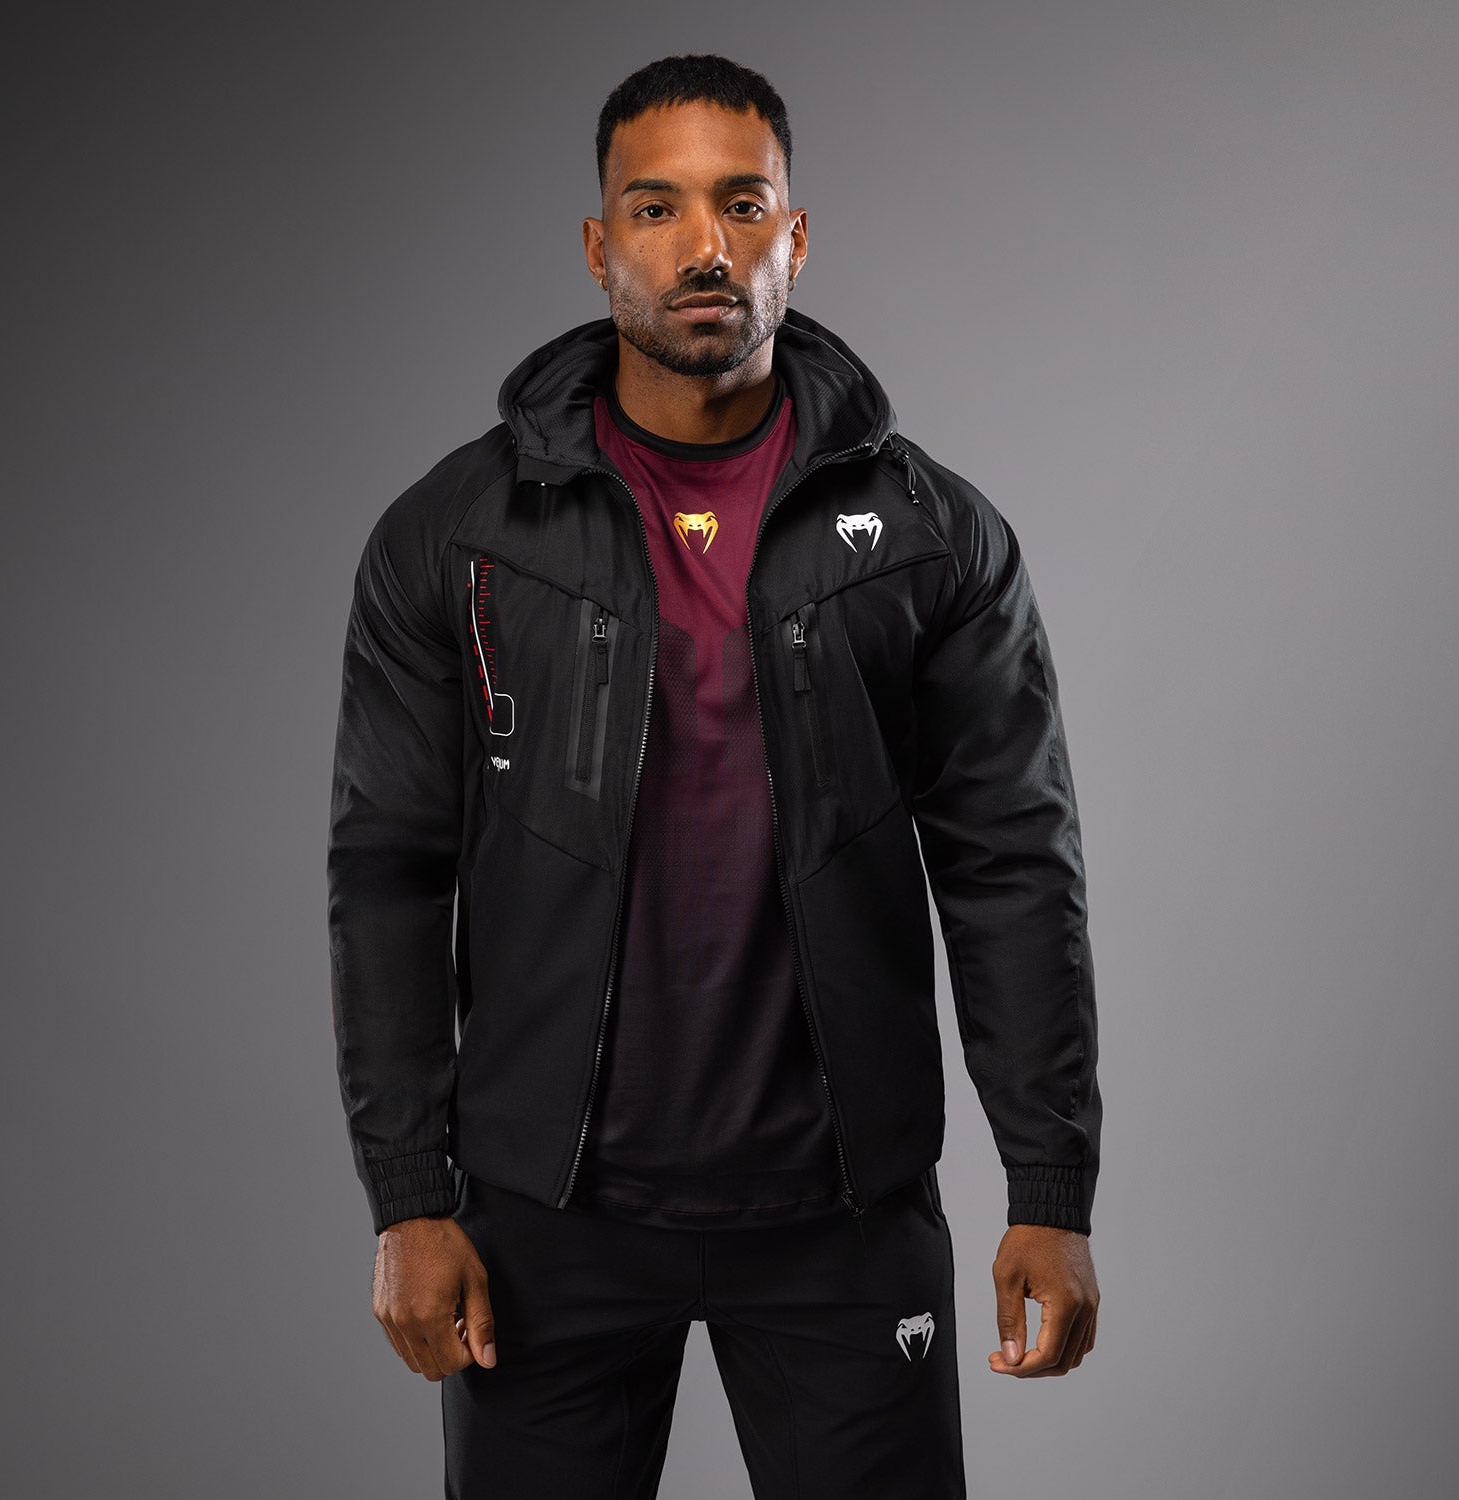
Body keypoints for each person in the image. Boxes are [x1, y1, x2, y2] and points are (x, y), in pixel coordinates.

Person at [326, 51, 1102, 1499]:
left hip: (843, 1208)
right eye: (657, 207)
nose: (704, 247)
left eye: (742, 205)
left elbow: (1011, 866)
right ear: (598, 244)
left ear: (794, 236)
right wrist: (408, 1199)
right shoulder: (456, 535)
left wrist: (1049, 1188)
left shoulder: (935, 537)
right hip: (542, 1213)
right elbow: (387, 876)